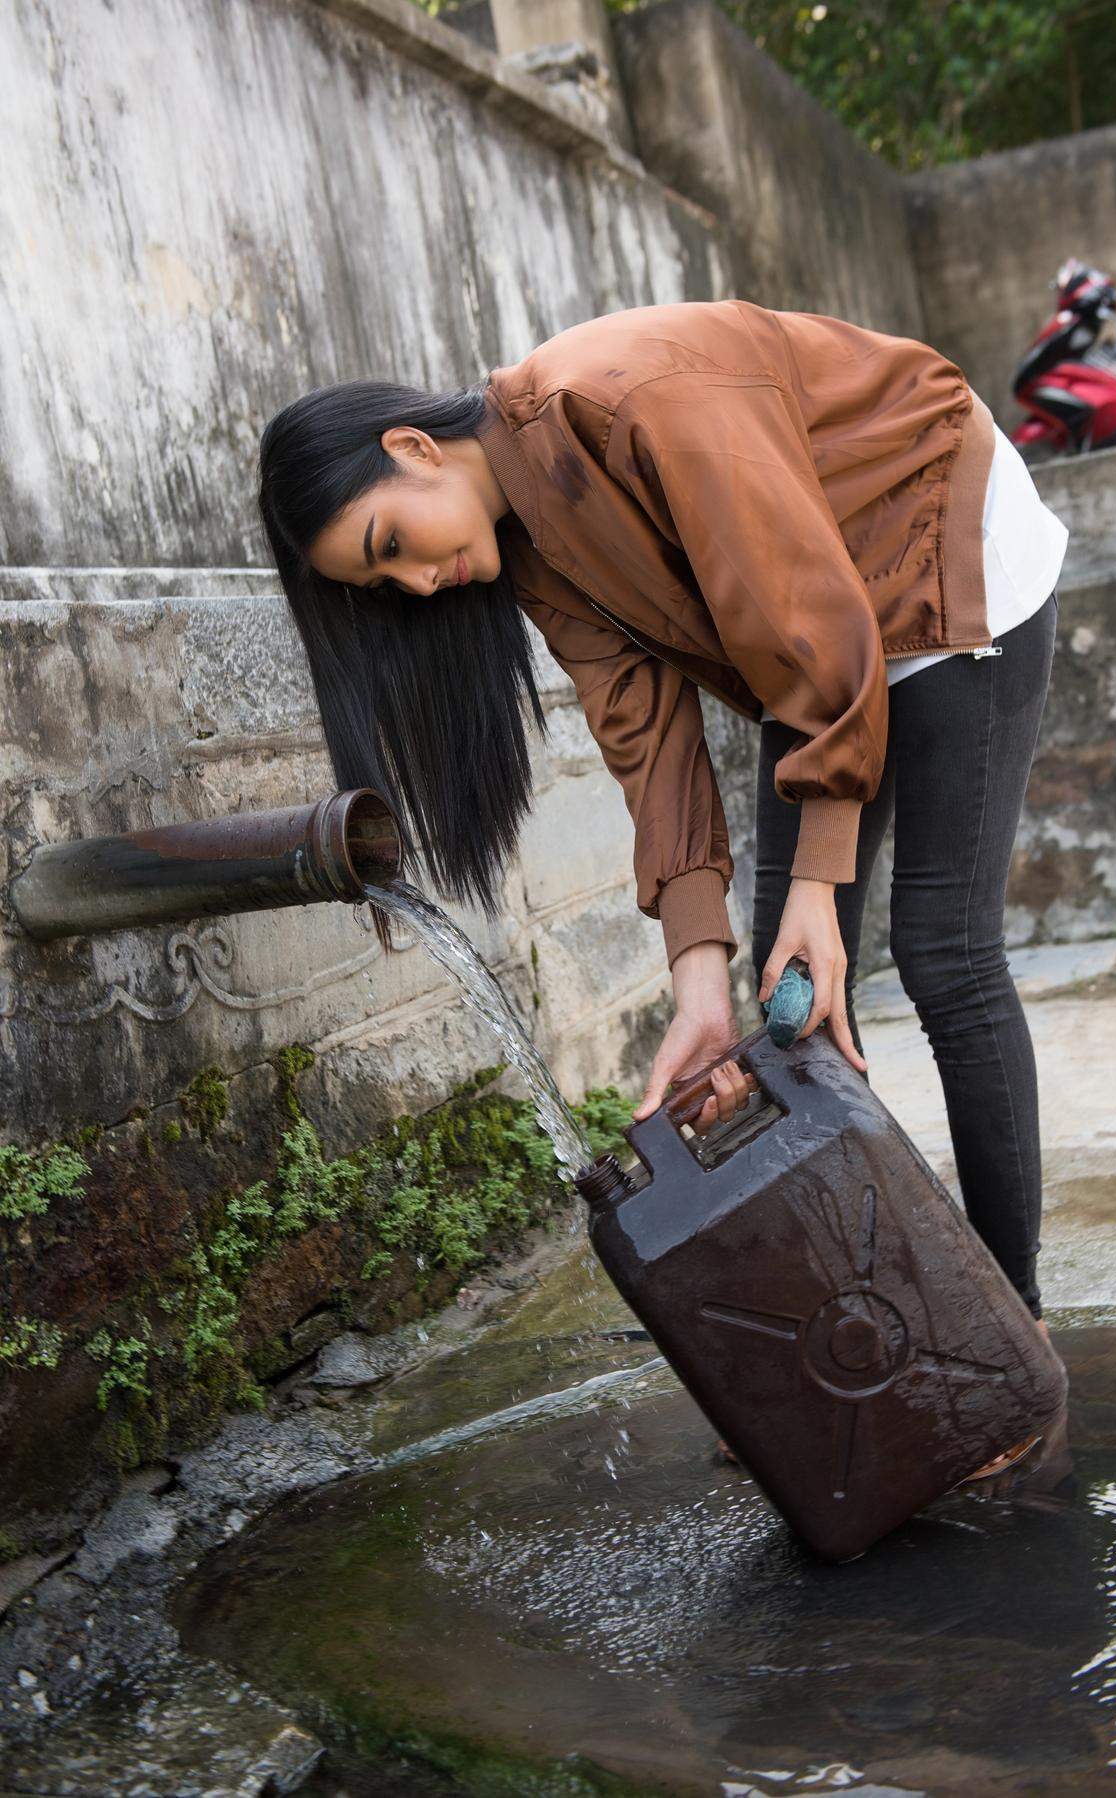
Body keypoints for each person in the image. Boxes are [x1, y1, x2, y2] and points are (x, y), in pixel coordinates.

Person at [258, 300, 1067, 1474]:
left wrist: (819, 876)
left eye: (389, 544)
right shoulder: (532, 550)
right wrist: (700, 977)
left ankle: (1011, 1348)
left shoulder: (634, 393)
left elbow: (808, 609)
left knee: (943, 952)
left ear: (414, 450)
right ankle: (879, 1341)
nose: (420, 585)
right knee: (792, 1015)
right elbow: (650, 737)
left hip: (935, 552)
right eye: (386, 587)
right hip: (821, 648)